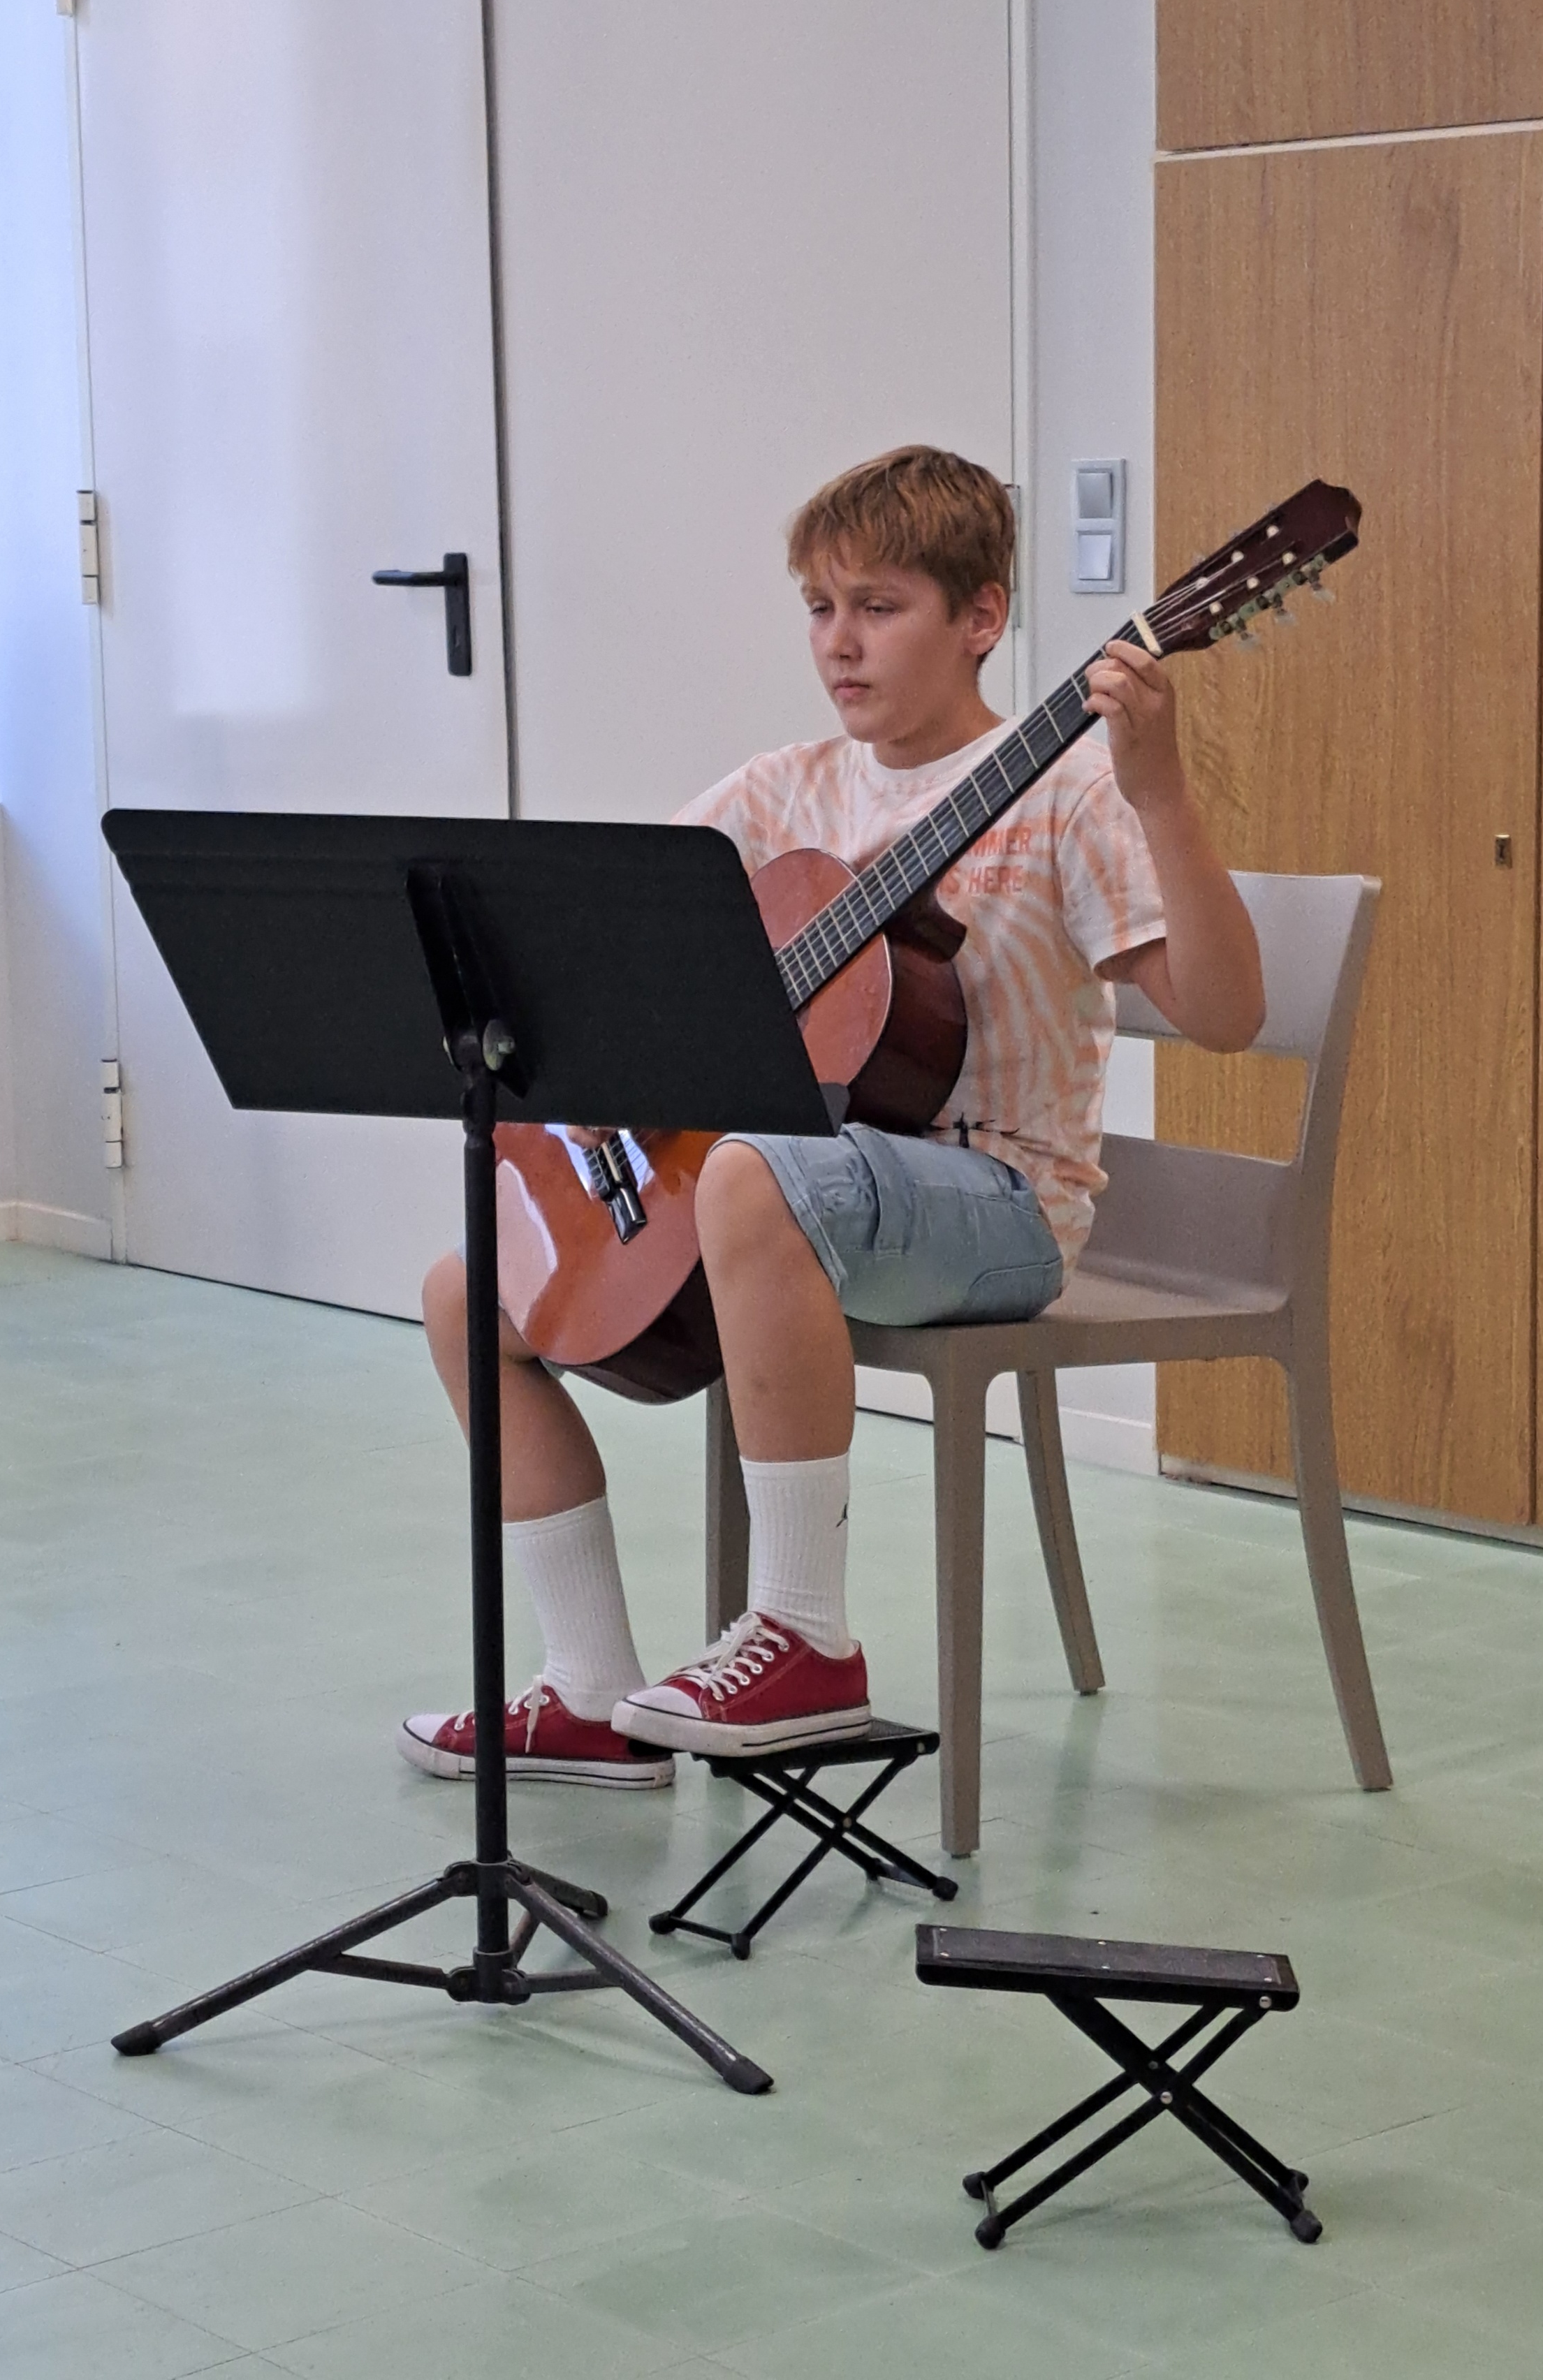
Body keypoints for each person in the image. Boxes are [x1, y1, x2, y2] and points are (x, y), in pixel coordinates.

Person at [399, 445, 1263, 1788]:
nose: (838, 643)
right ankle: (588, 1687)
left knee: (755, 1172)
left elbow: (1226, 1013)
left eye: (878, 606)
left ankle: (803, 1636)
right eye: (818, 607)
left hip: (998, 1206)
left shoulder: (1070, 794)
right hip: (789, 1197)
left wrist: (1160, 791)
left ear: (981, 617)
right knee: (467, 1291)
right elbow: (613, 948)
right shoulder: (783, 791)